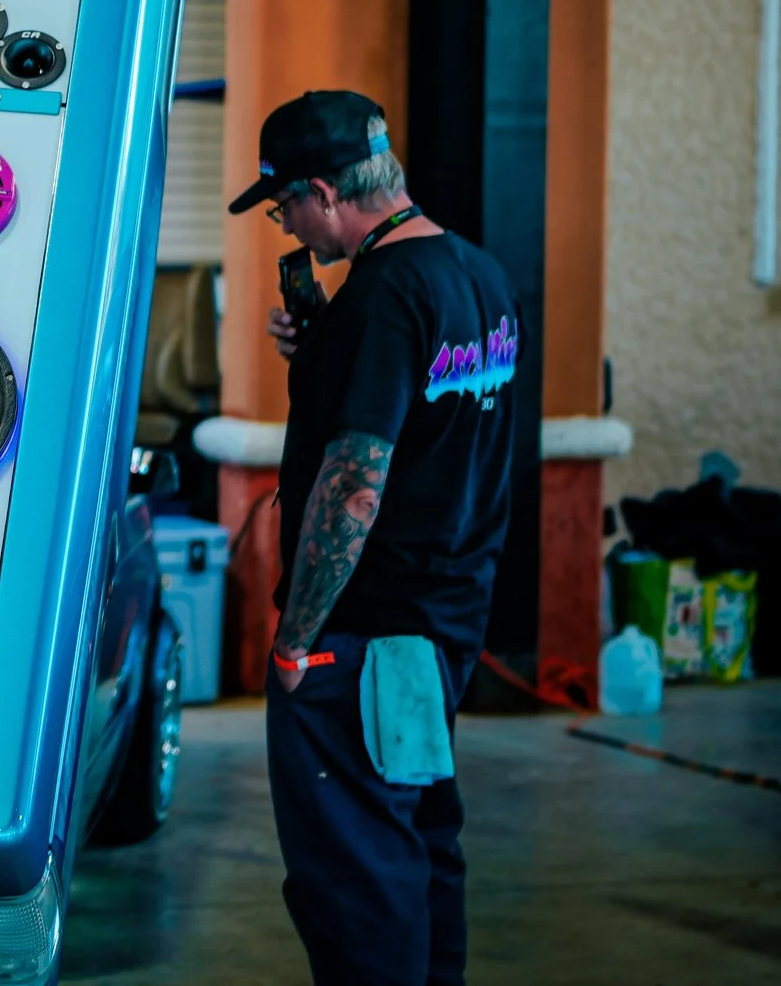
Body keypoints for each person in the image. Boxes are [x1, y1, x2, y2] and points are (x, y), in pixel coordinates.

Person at [228, 90, 520, 986]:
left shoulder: (383, 296)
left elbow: (355, 483)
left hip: (365, 635)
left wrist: (295, 639)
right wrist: (324, 351)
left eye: (285, 205)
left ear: (324, 191)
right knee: (419, 839)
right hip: (443, 619)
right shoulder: (477, 274)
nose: (287, 225)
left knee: (354, 873)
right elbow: (440, 427)